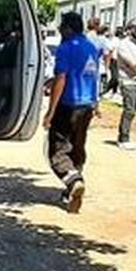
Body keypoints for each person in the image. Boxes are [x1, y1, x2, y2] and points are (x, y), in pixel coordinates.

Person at [43, 12, 103, 214]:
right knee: (77, 147)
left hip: (68, 106)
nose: (60, 30)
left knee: (57, 151)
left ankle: (74, 181)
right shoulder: (91, 47)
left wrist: (50, 112)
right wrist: (96, 102)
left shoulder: (66, 47)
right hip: (87, 106)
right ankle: (72, 187)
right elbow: (93, 76)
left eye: (62, 26)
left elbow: (62, 78)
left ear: (68, 28)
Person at [113, 21, 136, 150]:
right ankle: (123, 138)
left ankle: (126, 135)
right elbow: (132, 64)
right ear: (129, 30)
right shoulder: (123, 45)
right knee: (129, 110)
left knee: (133, 111)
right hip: (127, 81)